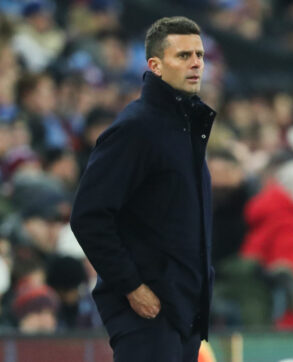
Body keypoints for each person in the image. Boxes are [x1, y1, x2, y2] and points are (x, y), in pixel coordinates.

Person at [70, 16, 216, 362]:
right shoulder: (136, 128)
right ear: (156, 65)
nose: (196, 63)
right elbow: (88, 216)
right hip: (147, 312)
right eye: (183, 56)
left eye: (200, 55)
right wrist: (132, 286)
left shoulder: (186, 128)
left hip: (184, 310)